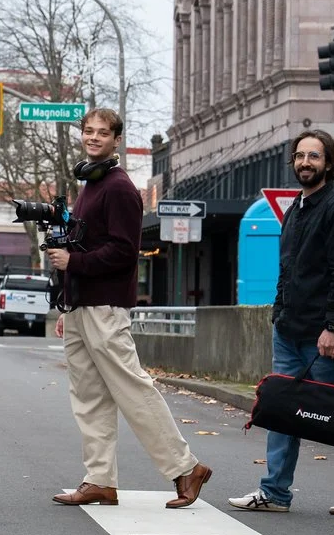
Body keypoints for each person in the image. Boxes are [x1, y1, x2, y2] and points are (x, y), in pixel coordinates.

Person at [48, 108, 211, 509]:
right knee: (88, 397)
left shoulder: (119, 187)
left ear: (116, 140)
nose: (94, 138)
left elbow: (124, 252)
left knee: (133, 389)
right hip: (83, 305)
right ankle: (100, 479)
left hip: (106, 307)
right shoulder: (90, 184)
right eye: (88, 131)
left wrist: (75, 264)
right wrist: (67, 303)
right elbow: (85, 244)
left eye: (103, 133)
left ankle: (186, 467)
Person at [229, 129, 334, 516]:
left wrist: (333, 327)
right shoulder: (295, 209)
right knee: (282, 413)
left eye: (313, 157)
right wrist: (278, 313)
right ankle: (275, 492)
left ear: (329, 164)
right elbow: (287, 269)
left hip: (325, 334)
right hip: (289, 331)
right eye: (299, 156)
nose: (305, 163)